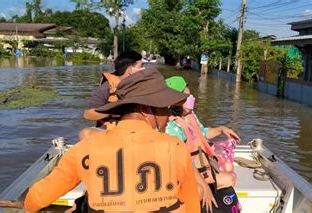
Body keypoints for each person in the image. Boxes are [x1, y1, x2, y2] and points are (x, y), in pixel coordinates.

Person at [24, 68, 200, 212]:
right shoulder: (175, 147)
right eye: (164, 107)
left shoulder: (84, 149)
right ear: (146, 109)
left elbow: (36, 199)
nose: (169, 114)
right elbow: (192, 206)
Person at [165, 76, 241, 213]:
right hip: (190, 175)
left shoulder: (189, 116)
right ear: (175, 102)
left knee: (230, 178)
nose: (191, 99)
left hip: (203, 170)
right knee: (228, 179)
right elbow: (182, 160)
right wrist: (204, 185)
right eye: (186, 97)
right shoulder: (172, 126)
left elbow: (201, 133)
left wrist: (222, 129)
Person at [79, 51, 143, 140]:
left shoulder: (145, 85)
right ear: (130, 70)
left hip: (138, 129)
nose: (144, 69)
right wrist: (114, 109)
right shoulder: (107, 87)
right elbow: (88, 114)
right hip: (111, 129)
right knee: (85, 134)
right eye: (141, 66)